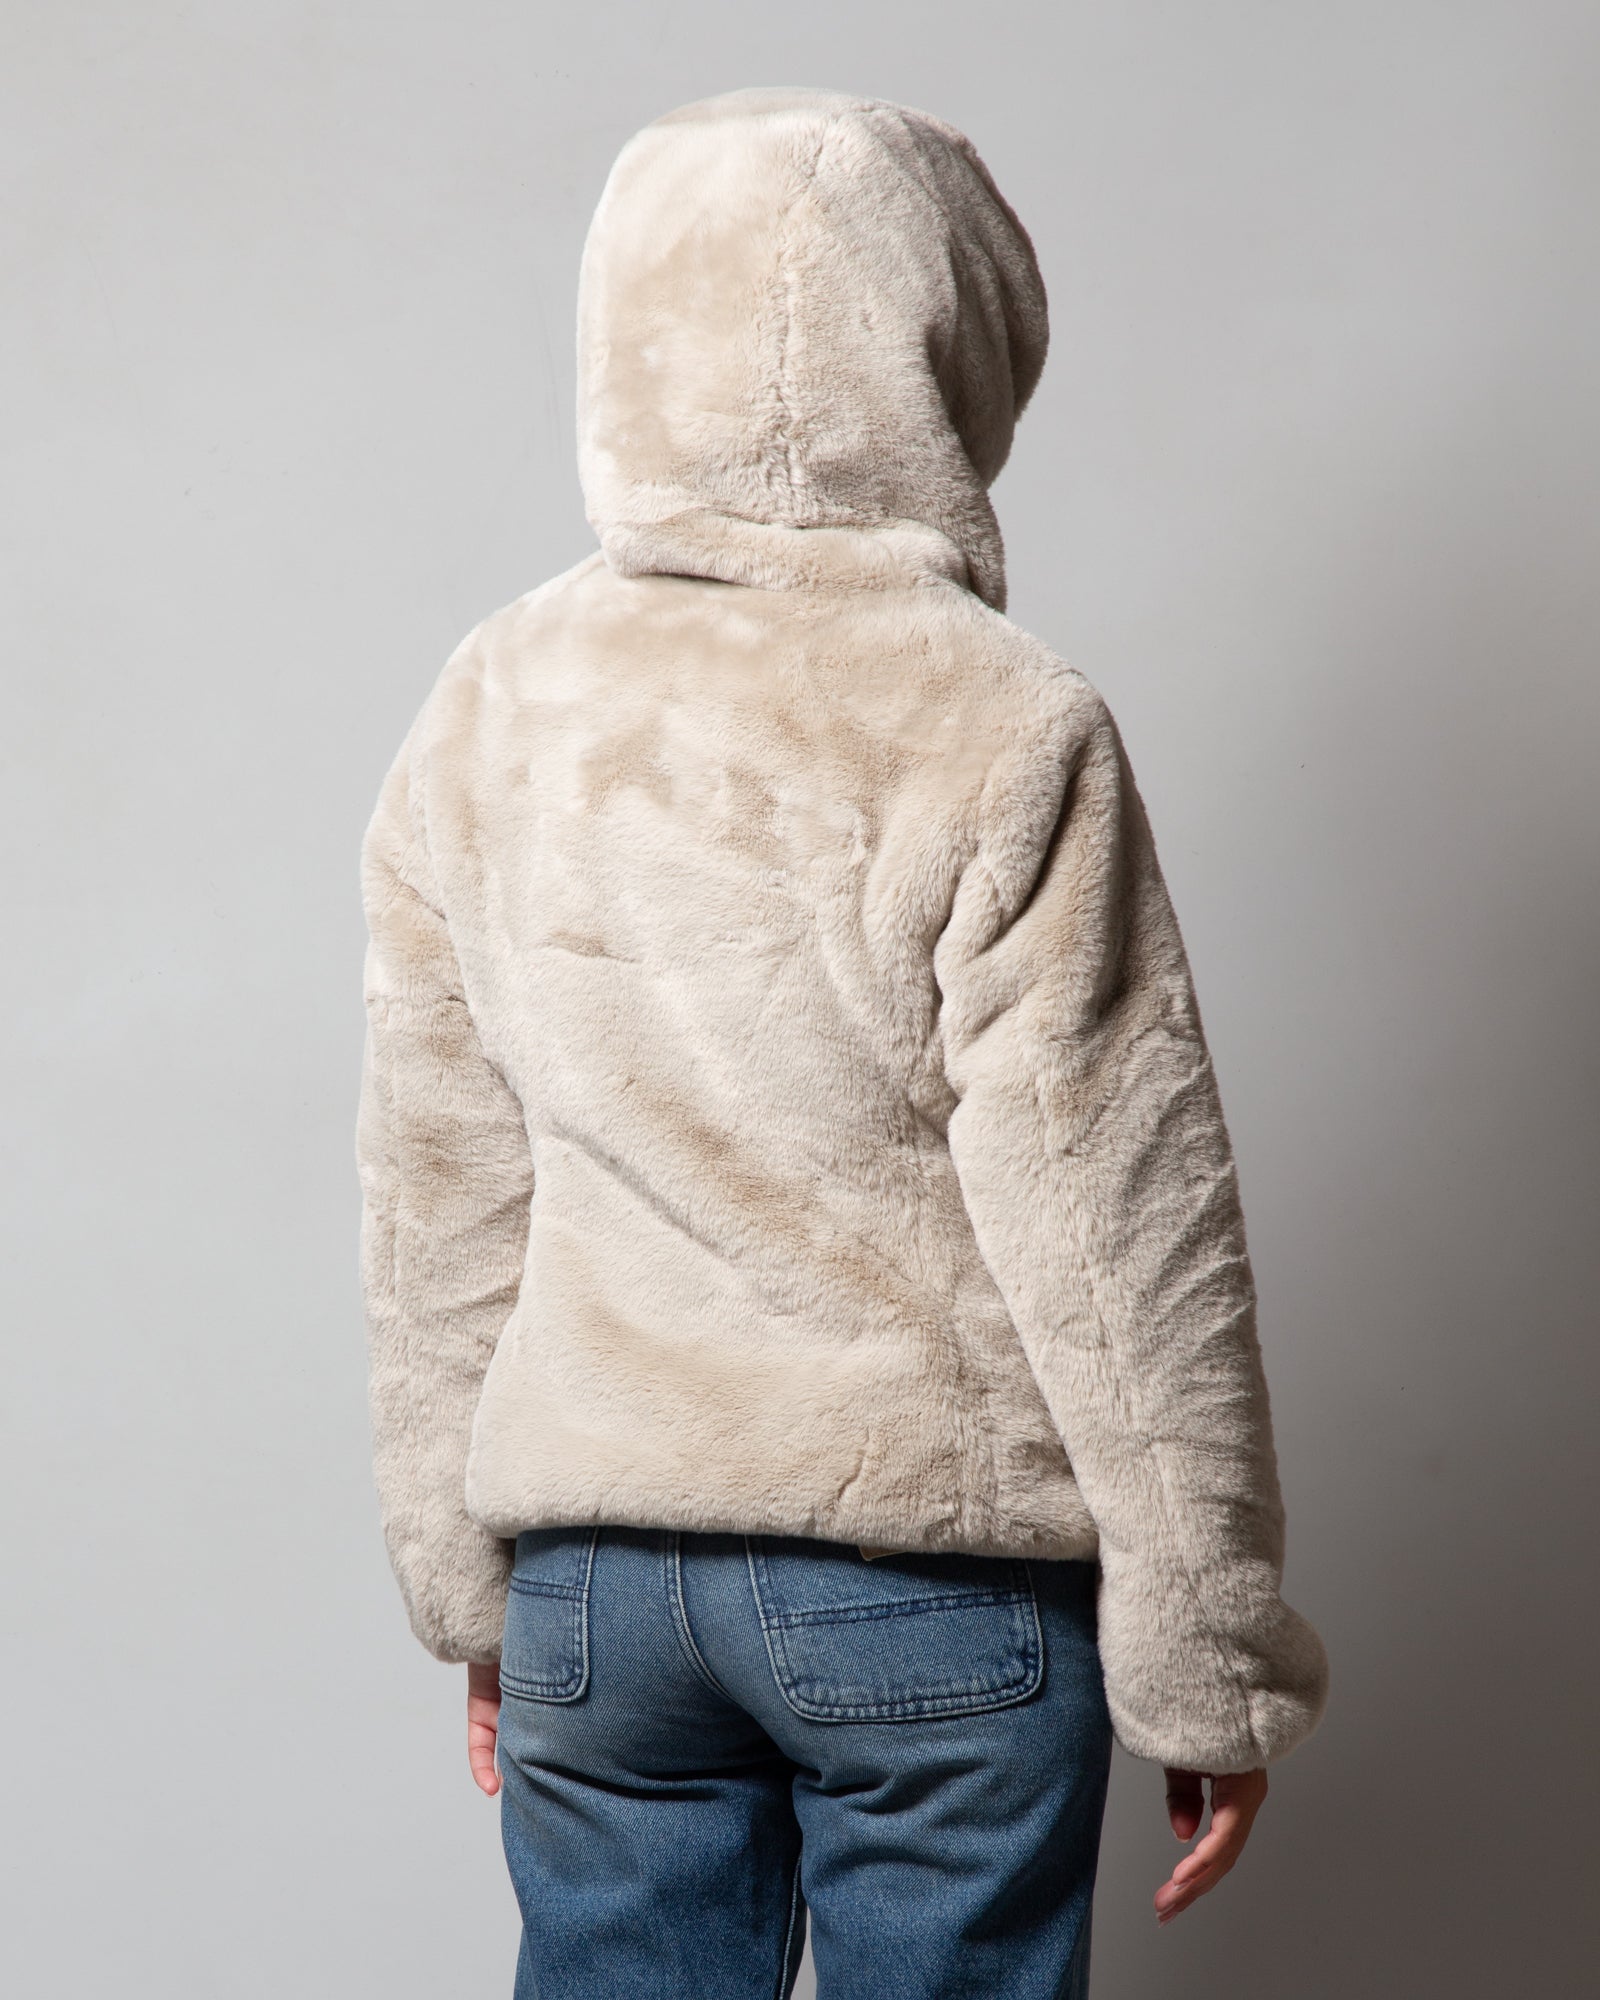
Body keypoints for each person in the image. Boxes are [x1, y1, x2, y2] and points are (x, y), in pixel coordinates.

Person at [355, 84, 1330, 1998]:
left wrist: (471, 1590)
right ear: (947, 348)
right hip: (923, 1581)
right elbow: (1120, 1225)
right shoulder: (1005, 721)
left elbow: (436, 1189)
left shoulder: (492, 702)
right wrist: (1208, 1653)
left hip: (594, 1595)